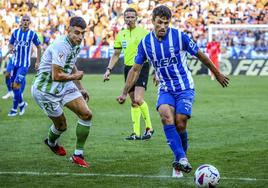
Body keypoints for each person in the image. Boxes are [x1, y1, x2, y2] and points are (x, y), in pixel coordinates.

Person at [117, 5, 229, 177]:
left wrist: (218, 73)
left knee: (180, 122)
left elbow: (200, 55)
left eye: (166, 23)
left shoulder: (179, 36)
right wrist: (125, 92)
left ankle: (180, 159)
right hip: (166, 88)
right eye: (159, 22)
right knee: (165, 115)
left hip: (184, 87)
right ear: (152, 21)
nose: (162, 26)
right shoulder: (146, 43)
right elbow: (135, 69)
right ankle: (181, 159)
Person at [31, 16, 92, 168]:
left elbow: (70, 65)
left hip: (64, 85)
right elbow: (56, 75)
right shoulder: (60, 45)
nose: (79, 37)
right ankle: (51, 142)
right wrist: (75, 76)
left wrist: (80, 87)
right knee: (62, 126)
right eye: (76, 33)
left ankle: (78, 155)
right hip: (45, 91)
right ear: (68, 30)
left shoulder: (76, 45)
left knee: (86, 114)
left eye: (82, 33)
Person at [103, 8, 154, 140]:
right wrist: (108, 70)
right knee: (133, 102)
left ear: (136, 18)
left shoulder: (144, 33)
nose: (130, 19)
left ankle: (149, 128)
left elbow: (152, 53)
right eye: (127, 17)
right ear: (124, 19)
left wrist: (157, 71)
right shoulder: (121, 34)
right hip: (128, 68)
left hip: (142, 66)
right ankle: (136, 133)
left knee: (138, 98)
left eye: (132, 17)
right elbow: (116, 54)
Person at [7, 15, 42, 116]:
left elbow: (39, 47)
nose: (25, 22)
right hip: (15, 63)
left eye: (27, 20)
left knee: (16, 85)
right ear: (21, 22)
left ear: (29, 22)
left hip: (24, 65)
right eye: (24, 20)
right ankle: (22, 104)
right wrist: (11, 48)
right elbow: (10, 44)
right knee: (13, 86)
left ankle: (14, 109)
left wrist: (38, 61)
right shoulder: (15, 32)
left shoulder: (32, 34)